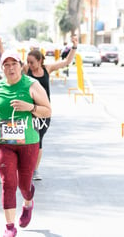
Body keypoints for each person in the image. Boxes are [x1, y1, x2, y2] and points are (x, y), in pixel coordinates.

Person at [0, 51, 51, 237]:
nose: (11, 68)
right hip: (4, 142)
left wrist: (30, 107)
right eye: (7, 64)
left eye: (14, 64)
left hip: (28, 142)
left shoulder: (32, 85)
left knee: (23, 185)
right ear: (2, 67)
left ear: (21, 66)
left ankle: (28, 202)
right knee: (8, 183)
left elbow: (47, 111)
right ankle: (10, 226)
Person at [20, 35, 78, 181]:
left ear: (40, 61)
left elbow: (67, 61)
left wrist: (74, 46)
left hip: (44, 112)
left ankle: (34, 170)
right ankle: (26, 166)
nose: (30, 64)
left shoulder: (48, 68)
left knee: (39, 139)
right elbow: (11, 63)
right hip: (29, 110)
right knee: (29, 139)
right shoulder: (26, 70)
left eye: (32, 62)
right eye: (28, 62)